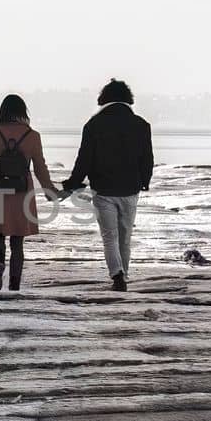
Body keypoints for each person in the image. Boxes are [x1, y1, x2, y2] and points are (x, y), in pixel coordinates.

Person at [61, 78, 155, 292]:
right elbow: (147, 158)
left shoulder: (93, 125)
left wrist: (72, 184)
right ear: (127, 99)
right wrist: (144, 181)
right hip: (130, 189)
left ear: (104, 99)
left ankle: (117, 275)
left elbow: (83, 159)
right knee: (125, 236)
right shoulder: (141, 125)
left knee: (109, 236)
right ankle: (125, 273)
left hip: (103, 190)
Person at [0, 94, 61, 291]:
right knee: (18, 241)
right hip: (22, 193)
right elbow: (40, 168)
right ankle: (15, 284)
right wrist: (49, 190)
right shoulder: (32, 136)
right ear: (23, 112)